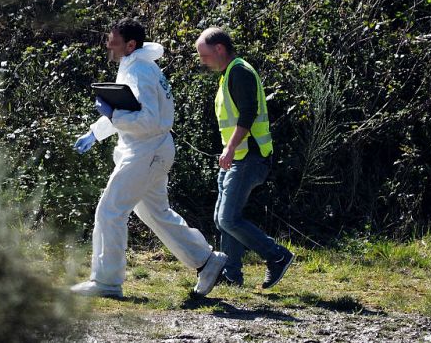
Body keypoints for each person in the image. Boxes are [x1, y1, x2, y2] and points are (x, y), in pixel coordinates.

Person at [70, 18, 227, 298]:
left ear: (131, 45)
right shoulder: (137, 64)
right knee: (155, 213)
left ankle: (106, 282)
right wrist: (96, 132)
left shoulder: (139, 70)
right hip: (150, 149)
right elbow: (132, 109)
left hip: (146, 151)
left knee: (110, 210)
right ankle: (206, 260)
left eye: (114, 41)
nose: (108, 45)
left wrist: (113, 115)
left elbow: (148, 120)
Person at [194, 27, 294, 288]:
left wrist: (229, 148)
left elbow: (247, 114)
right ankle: (231, 274)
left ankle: (277, 256)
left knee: (228, 219)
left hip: (249, 156)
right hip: (238, 155)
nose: (203, 61)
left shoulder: (239, 72)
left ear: (219, 49)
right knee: (223, 219)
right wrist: (229, 150)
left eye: (204, 55)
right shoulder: (229, 74)